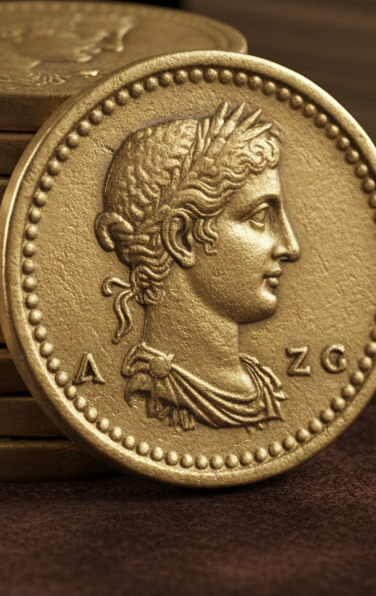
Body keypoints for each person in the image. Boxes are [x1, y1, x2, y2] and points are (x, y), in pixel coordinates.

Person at [94, 102, 300, 432]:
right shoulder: (150, 394)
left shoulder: (265, 384)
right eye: (260, 217)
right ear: (180, 238)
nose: (291, 247)